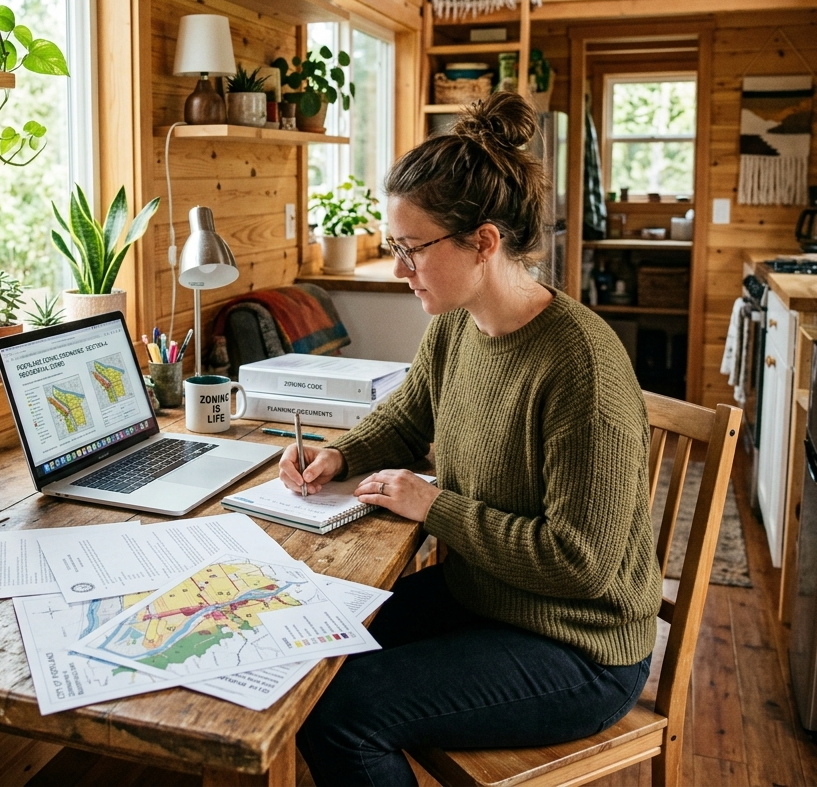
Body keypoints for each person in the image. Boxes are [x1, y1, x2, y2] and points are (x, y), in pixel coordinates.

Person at [279, 92, 662, 787]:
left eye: (411, 249)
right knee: (308, 643)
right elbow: (408, 416)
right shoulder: (457, 324)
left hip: (582, 646)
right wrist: (339, 454)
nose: (400, 269)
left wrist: (435, 506)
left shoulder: (581, 366)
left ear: (483, 242)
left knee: (342, 712)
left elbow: (580, 565)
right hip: (484, 594)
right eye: (393, 247)